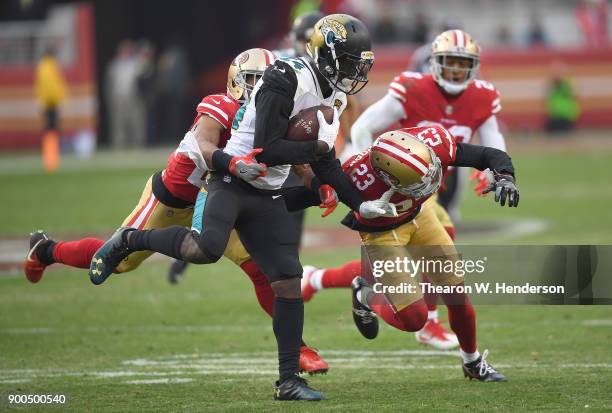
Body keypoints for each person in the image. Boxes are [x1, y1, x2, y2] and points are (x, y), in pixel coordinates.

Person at [90, 14, 393, 400]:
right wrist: (316, 152)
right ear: (326, 55)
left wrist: (357, 202)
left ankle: (288, 382)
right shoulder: (286, 76)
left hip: (266, 191)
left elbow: (325, 163)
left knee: (287, 283)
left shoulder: (333, 94)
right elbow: (267, 148)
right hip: (232, 179)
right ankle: (133, 239)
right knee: (205, 249)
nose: (354, 71)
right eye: (349, 61)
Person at [23, 48, 330, 375]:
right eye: (252, 80)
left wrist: (317, 184)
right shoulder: (220, 105)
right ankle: (47, 250)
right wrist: (234, 163)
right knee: (119, 261)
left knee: (260, 269)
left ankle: (297, 349)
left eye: (265, 82)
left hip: (223, 200)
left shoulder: (275, 113)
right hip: (175, 197)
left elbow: (296, 161)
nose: (258, 89)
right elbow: (203, 145)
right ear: (236, 82)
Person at [301, 30, 509, 350]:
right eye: (449, 63)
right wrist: (371, 172)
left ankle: (317, 279)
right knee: (434, 247)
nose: (455, 71)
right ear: (433, 64)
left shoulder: (481, 95)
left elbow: (490, 144)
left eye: (462, 64)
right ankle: (429, 323)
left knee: (397, 265)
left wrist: (497, 172)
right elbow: (363, 128)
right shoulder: (414, 87)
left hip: (440, 178)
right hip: (408, 185)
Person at [285, 124, 518, 382]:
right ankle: (366, 294)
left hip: (422, 215)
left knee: (456, 294)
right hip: (381, 233)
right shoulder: (356, 179)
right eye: (418, 180)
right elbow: (294, 198)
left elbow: (487, 155)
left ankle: (472, 362)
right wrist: (316, 191)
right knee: (413, 319)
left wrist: (505, 175)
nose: (430, 180)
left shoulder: (432, 144)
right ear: (389, 179)